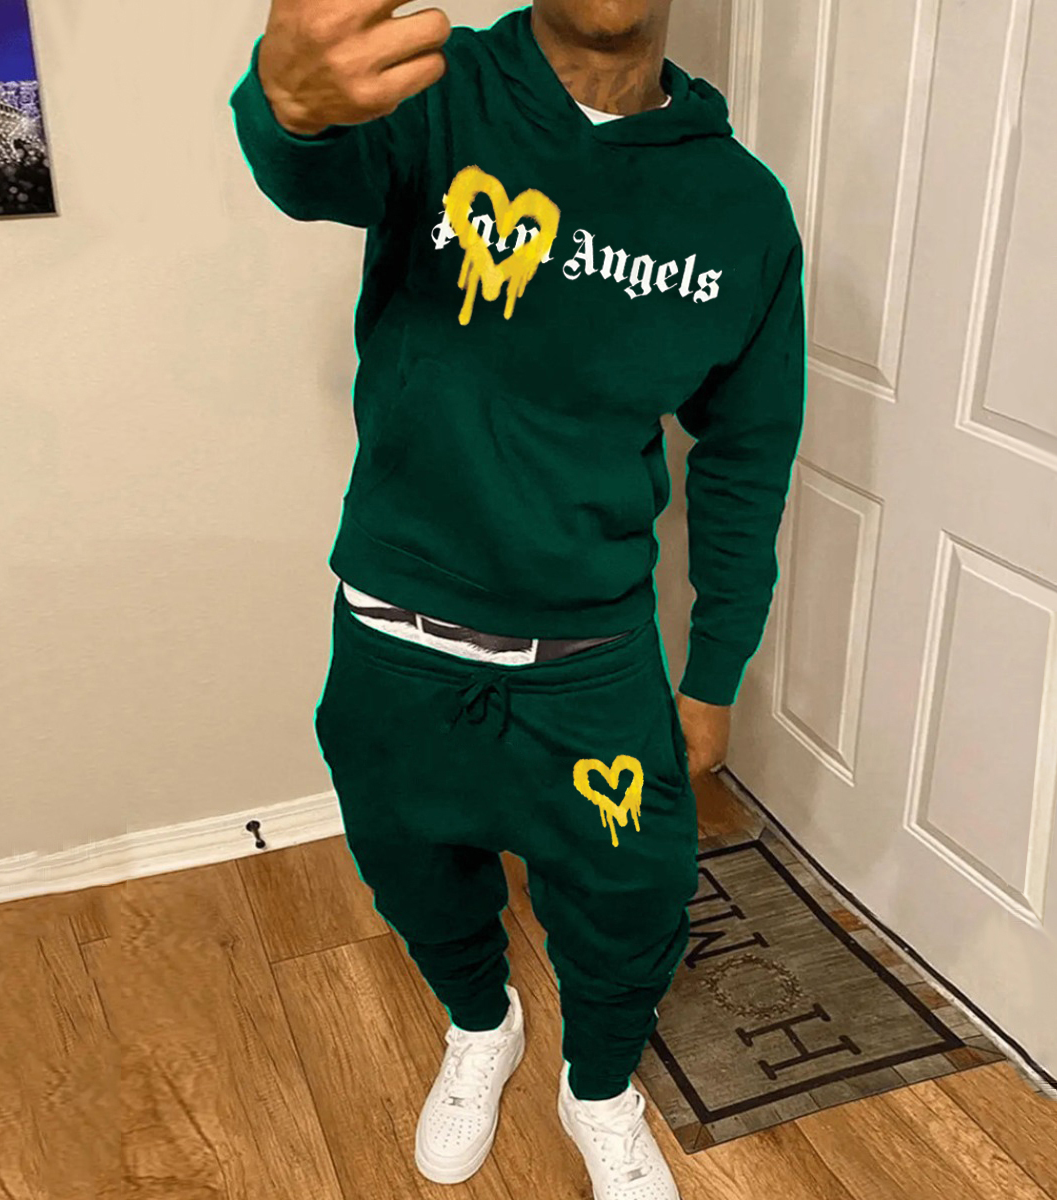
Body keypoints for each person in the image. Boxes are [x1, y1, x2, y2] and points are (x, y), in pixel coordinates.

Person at [229, 2, 805, 1196]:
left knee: (634, 894)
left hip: (592, 658)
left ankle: (598, 1088)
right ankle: (480, 1023)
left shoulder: (741, 209)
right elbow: (310, 169)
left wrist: (714, 671)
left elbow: (747, 458)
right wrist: (283, 109)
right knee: (411, 868)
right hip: (398, 637)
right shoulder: (435, 94)